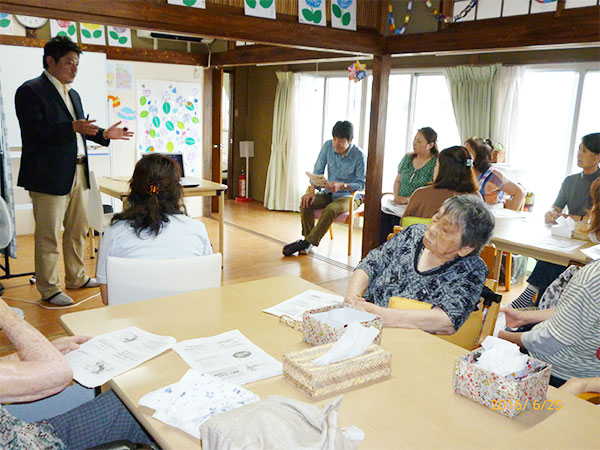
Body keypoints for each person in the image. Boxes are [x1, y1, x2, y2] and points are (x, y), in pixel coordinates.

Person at [15, 36, 133, 306]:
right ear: (50, 61)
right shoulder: (30, 90)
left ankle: (76, 277)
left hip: (78, 170)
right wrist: (72, 128)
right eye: (69, 62)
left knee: (78, 229)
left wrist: (105, 133)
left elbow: (81, 129)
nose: (75, 68)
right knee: (48, 234)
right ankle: (48, 288)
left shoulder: (74, 94)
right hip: (47, 174)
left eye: (77, 63)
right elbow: (33, 132)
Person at [0, 299, 155, 448]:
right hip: (39, 443)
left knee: (131, 399)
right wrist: (5, 313)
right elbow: (58, 374)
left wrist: (33, 354)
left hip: (27, 433)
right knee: (142, 404)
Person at [344, 195, 495, 334]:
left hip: (410, 343)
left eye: (446, 230)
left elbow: (447, 320)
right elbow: (371, 262)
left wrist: (380, 315)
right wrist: (352, 297)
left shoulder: (471, 269)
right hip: (364, 326)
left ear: (466, 248)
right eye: (436, 218)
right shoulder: (413, 234)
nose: (432, 229)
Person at [97, 153, 212, 305]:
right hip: (186, 319)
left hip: (132, 323)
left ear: (134, 189)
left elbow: (107, 298)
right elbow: (208, 287)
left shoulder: (114, 233)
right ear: (177, 190)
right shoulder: (197, 229)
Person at [510, 132, 600, 308]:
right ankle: (536, 306)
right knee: (550, 255)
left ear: (597, 156)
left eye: (584, 151)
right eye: (579, 150)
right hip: (570, 236)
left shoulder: (598, 184)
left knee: (556, 262)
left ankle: (532, 299)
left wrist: (579, 218)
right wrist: (552, 213)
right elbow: (557, 206)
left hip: (590, 243)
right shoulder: (570, 181)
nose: (579, 155)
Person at [498, 259, 600, 388]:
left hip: (556, 371)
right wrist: (524, 317)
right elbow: (577, 310)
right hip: (586, 368)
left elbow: (551, 340)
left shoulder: (592, 278)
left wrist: (501, 335)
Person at [282, 121, 366, 256]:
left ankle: (306, 243)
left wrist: (343, 185)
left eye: (341, 140)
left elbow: (362, 184)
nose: (336, 143)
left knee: (330, 210)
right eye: (334, 139)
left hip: (350, 196)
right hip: (328, 192)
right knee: (306, 202)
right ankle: (307, 241)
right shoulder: (328, 146)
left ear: (350, 140)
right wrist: (311, 191)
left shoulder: (359, 155)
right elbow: (317, 170)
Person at [379, 127, 439, 244]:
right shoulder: (407, 158)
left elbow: (432, 190)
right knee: (384, 217)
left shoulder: (436, 163)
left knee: (397, 223)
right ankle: (382, 251)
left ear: (430, 145)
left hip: (417, 206)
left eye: (419, 141)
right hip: (399, 204)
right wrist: (396, 196)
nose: (414, 143)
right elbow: (398, 181)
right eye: (414, 140)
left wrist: (407, 200)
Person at [401, 145, 480, 219]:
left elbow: (403, 224)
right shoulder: (475, 198)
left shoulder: (420, 194)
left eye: (436, 165)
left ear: (443, 169)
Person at [464, 137, 525, 210]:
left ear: (479, 157)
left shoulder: (492, 175)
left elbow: (519, 193)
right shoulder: (465, 172)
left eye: (468, 153)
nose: (463, 154)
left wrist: (509, 215)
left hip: (492, 216)